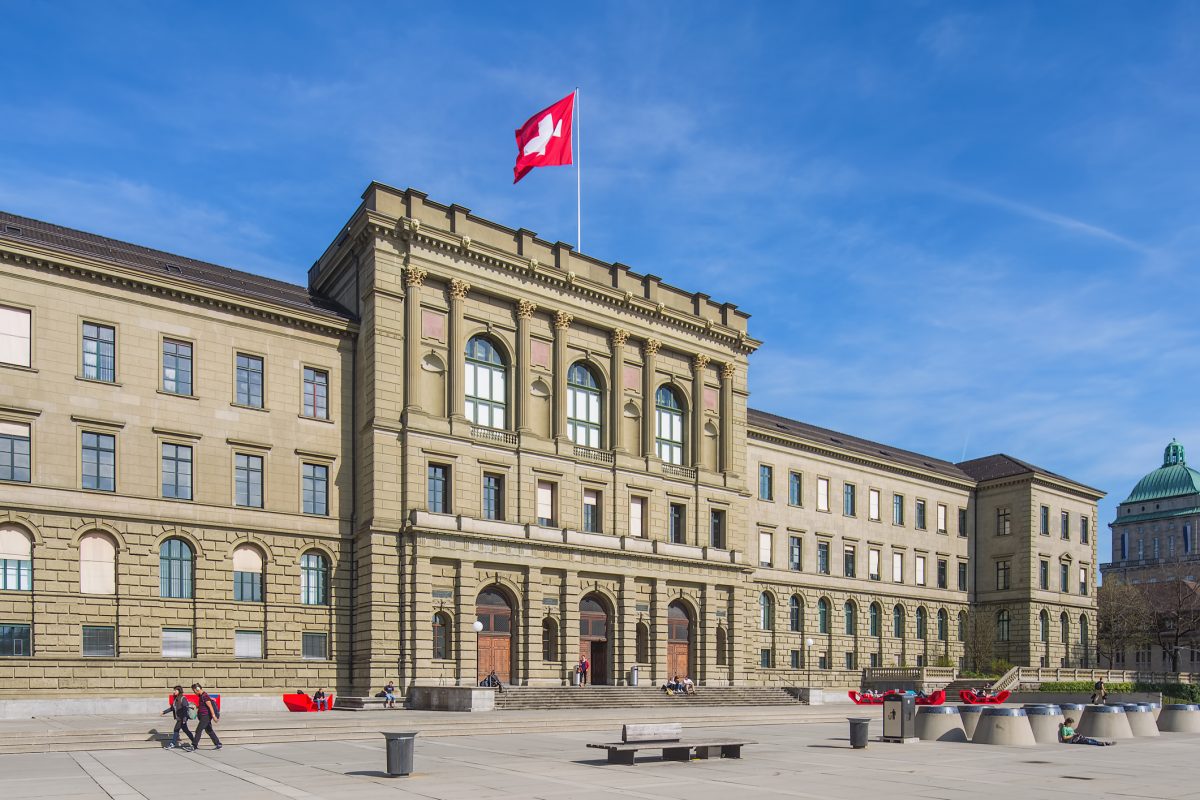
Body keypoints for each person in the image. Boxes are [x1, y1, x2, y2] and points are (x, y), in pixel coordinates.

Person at [161, 685, 195, 750]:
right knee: (186, 730)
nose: (174, 692)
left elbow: (185, 708)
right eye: (174, 690)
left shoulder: (182, 698)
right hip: (179, 718)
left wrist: (184, 719)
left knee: (176, 730)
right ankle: (195, 741)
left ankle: (172, 744)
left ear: (179, 691)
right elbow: (172, 708)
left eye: (175, 690)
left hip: (182, 718)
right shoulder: (176, 699)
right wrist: (164, 712)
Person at [191, 683, 222, 750]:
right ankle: (218, 744)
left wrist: (214, 716)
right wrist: (196, 706)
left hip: (206, 716)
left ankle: (194, 745)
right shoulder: (201, 696)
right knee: (209, 730)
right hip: (203, 716)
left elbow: (210, 706)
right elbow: (203, 706)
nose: (194, 693)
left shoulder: (205, 696)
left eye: (194, 691)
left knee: (198, 730)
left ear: (197, 689)